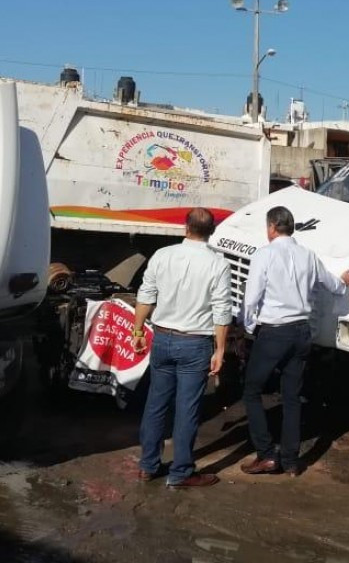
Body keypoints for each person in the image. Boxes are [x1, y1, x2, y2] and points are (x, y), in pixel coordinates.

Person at [239, 206, 349, 477]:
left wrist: (247, 328)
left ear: (271, 227)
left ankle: (267, 454)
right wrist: (346, 282)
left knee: (252, 390)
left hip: (274, 331)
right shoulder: (308, 255)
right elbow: (333, 285)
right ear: (291, 228)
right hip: (302, 332)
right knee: (292, 396)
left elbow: (251, 298)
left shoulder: (264, 255)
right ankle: (292, 461)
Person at [133, 207, 231, 489]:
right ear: (211, 231)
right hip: (195, 343)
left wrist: (138, 329)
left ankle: (148, 466)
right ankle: (181, 471)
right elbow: (221, 311)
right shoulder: (218, 264)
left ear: (185, 227)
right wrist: (220, 349)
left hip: (162, 338)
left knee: (156, 405)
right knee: (186, 410)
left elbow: (146, 294)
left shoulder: (162, 255)